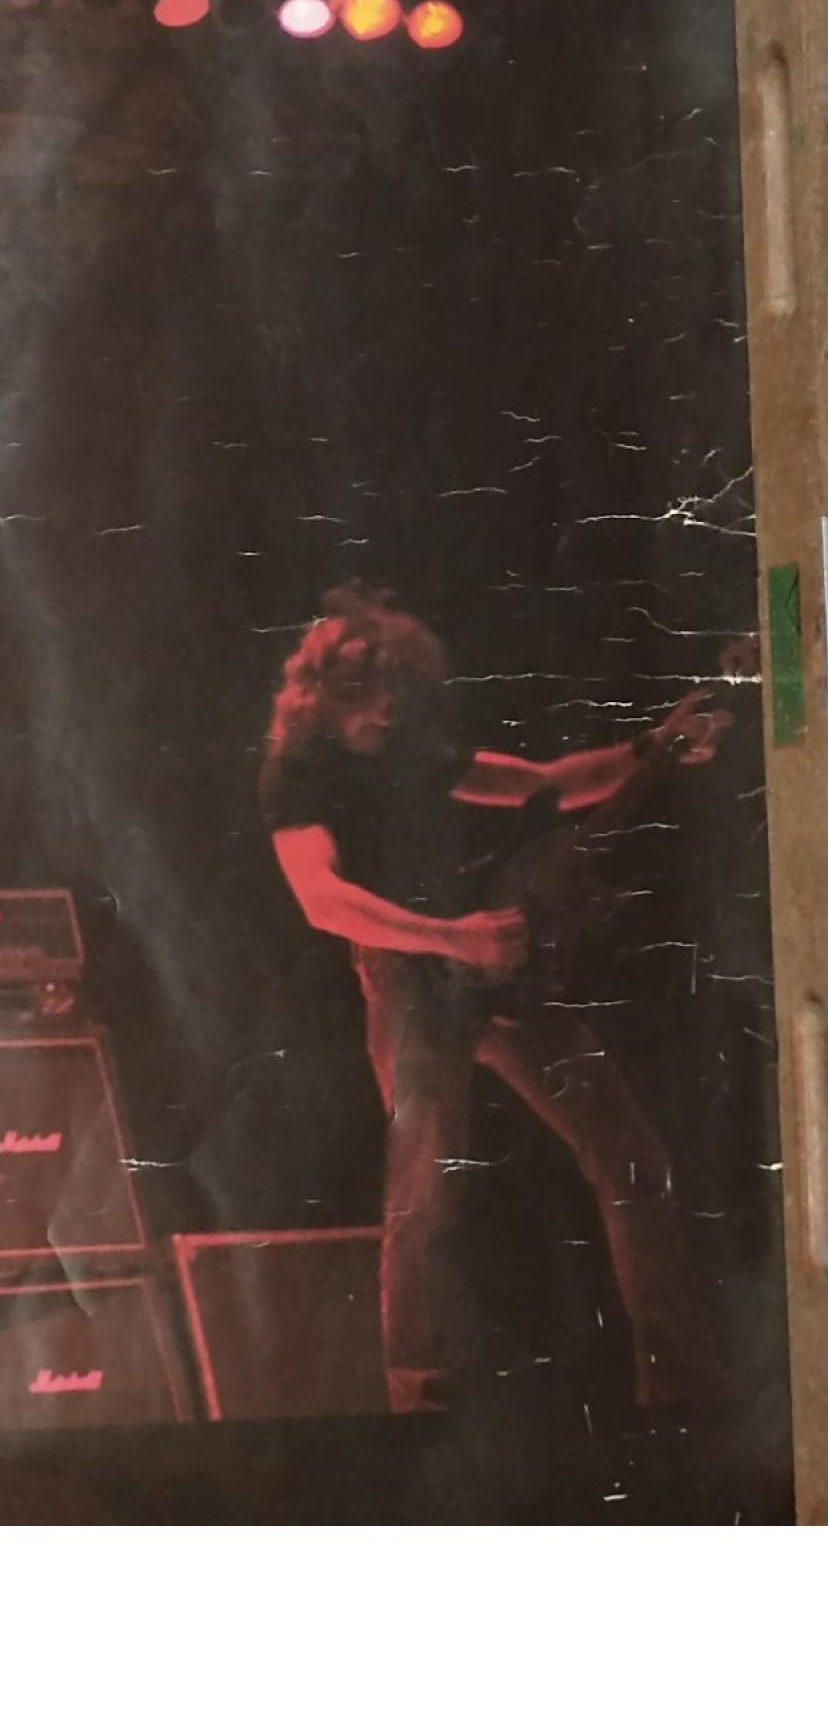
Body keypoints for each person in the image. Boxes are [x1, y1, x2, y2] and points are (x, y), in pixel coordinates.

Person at [259, 585, 725, 1416]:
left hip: (491, 963)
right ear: (320, 695)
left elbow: (545, 783)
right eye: (368, 693)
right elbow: (321, 901)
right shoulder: (298, 774)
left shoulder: (413, 750)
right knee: (426, 1184)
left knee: (631, 1157)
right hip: (410, 974)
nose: (387, 710)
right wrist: (449, 938)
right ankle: (421, 1402)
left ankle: (680, 1391)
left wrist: (652, 746)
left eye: (398, 691)